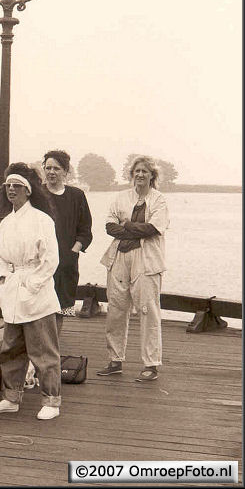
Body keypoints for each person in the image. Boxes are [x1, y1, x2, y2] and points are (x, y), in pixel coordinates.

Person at [0, 162, 62, 420]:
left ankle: (51, 401)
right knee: (11, 349)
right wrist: (3, 280)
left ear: (28, 190)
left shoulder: (42, 220)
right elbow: (2, 258)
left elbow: (50, 259)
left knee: (43, 350)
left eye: (17, 186)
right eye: (8, 186)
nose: (11, 190)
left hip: (35, 291)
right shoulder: (6, 223)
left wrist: (32, 284)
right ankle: (11, 398)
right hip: (12, 292)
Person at [97, 156, 169, 382]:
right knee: (117, 308)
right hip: (119, 256)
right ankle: (115, 360)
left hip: (146, 259)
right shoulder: (121, 198)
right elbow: (109, 226)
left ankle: (151, 364)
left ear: (152, 176)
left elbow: (152, 229)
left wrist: (126, 225)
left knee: (148, 310)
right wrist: (130, 229)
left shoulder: (159, 201)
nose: (140, 175)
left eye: (145, 172)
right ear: (132, 174)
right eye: (137, 171)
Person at [42, 150, 93, 332]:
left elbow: (85, 229)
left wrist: (74, 250)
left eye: (56, 168)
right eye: (48, 168)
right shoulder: (37, 195)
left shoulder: (76, 196)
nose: (51, 172)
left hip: (66, 263)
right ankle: (41, 353)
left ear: (65, 171)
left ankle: (54, 351)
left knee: (60, 309)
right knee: (39, 310)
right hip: (40, 263)